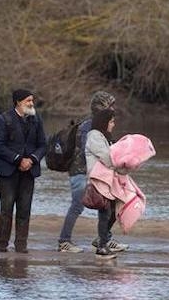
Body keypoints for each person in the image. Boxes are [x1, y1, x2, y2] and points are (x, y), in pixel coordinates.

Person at [57, 90, 118, 253]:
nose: (113, 109)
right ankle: (64, 241)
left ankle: (104, 239)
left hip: (92, 173)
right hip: (80, 173)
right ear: (101, 107)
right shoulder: (89, 126)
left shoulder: (99, 125)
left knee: (104, 206)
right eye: (110, 105)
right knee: (77, 206)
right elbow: (89, 150)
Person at [0, 89, 47, 253]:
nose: (31, 104)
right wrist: (18, 159)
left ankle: (21, 245)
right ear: (18, 102)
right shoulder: (4, 119)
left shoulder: (36, 119)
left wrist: (32, 160)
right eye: (28, 100)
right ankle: (2, 245)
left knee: (24, 209)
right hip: (8, 171)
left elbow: (43, 144)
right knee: (6, 209)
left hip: (29, 171)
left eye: (32, 101)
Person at [85, 108, 128, 259]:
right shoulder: (94, 137)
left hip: (107, 180)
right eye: (111, 121)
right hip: (99, 180)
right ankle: (102, 247)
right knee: (105, 212)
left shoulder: (104, 136)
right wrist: (123, 163)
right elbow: (107, 158)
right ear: (104, 122)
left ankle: (101, 240)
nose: (113, 124)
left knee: (112, 211)